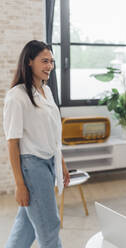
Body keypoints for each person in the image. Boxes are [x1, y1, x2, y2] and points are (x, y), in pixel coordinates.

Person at [3, 40, 70, 248]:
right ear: (29, 61)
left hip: (49, 162)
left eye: (51, 61)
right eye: (44, 61)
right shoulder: (17, 96)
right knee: (49, 227)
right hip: (33, 167)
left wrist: (62, 164)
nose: (49, 65)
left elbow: (52, 135)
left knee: (26, 225)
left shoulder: (46, 91)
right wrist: (20, 184)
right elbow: (13, 143)